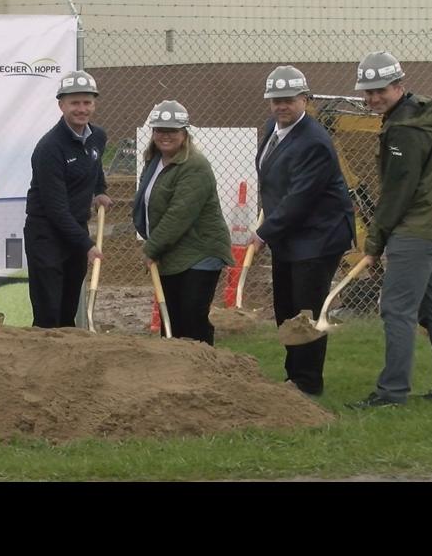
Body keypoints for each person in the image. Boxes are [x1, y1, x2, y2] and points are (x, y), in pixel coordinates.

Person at [347, 51, 432, 409]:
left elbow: (397, 192)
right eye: (367, 93)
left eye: (379, 90)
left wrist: (375, 240)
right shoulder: (423, 110)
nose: (372, 98)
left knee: (396, 310)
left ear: (399, 85)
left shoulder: (403, 128)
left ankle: (391, 393)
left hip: (415, 228)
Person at [253, 64, 354, 396]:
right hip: (289, 235)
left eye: (289, 100)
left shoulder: (314, 142)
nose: (282, 106)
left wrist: (264, 232)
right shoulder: (272, 129)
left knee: (306, 313)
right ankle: (292, 377)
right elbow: (275, 184)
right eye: (276, 100)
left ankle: (308, 383)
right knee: (286, 309)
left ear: (305, 99)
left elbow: (300, 198)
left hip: (316, 238)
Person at [135, 100, 232, 344]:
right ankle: (174, 374)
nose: (165, 135)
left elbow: (179, 214)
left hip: (200, 251)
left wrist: (151, 247)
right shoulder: (154, 161)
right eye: (159, 130)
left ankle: (203, 370)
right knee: (173, 319)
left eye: (172, 130)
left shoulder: (195, 165)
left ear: (184, 133)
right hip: (172, 252)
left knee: (192, 318)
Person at [23, 71, 112, 328]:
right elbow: (55, 208)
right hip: (46, 233)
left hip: (74, 230)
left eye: (87, 102)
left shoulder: (98, 137)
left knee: (68, 305)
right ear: (61, 105)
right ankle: (43, 359)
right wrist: (86, 244)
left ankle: (69, 364)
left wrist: (100, 190)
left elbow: (94, 167)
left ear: (94, 104)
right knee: (48, 310)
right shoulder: (49, 148)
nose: (81, 109)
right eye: (75, 103)